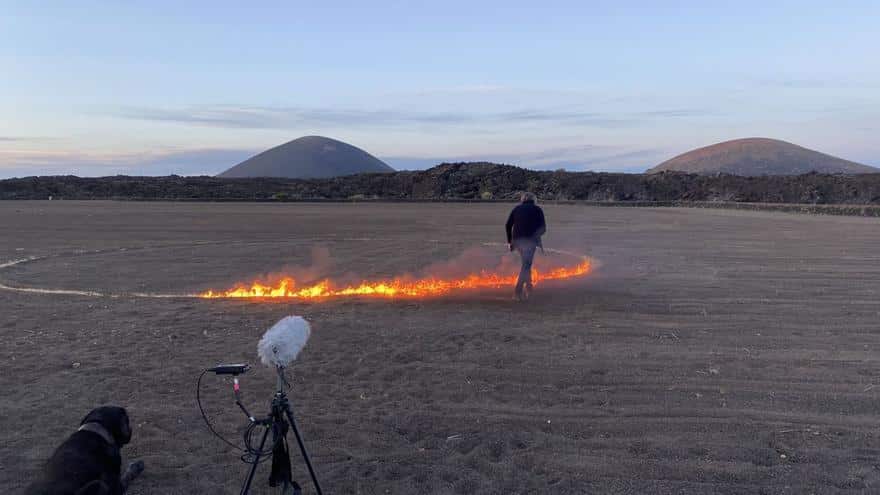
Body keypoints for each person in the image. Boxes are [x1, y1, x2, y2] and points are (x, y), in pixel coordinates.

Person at [505, 192, 546, 300]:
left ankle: (529, 288)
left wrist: (510, 241)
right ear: (534, 200)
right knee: (526, 266)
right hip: (530, 241)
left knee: (526, 264)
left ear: (523, 199)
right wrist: (535, 236)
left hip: (517, 241)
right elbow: (543, 228)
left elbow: (508, 225)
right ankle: (517, 292)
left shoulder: (517, 209)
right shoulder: (538, 210)